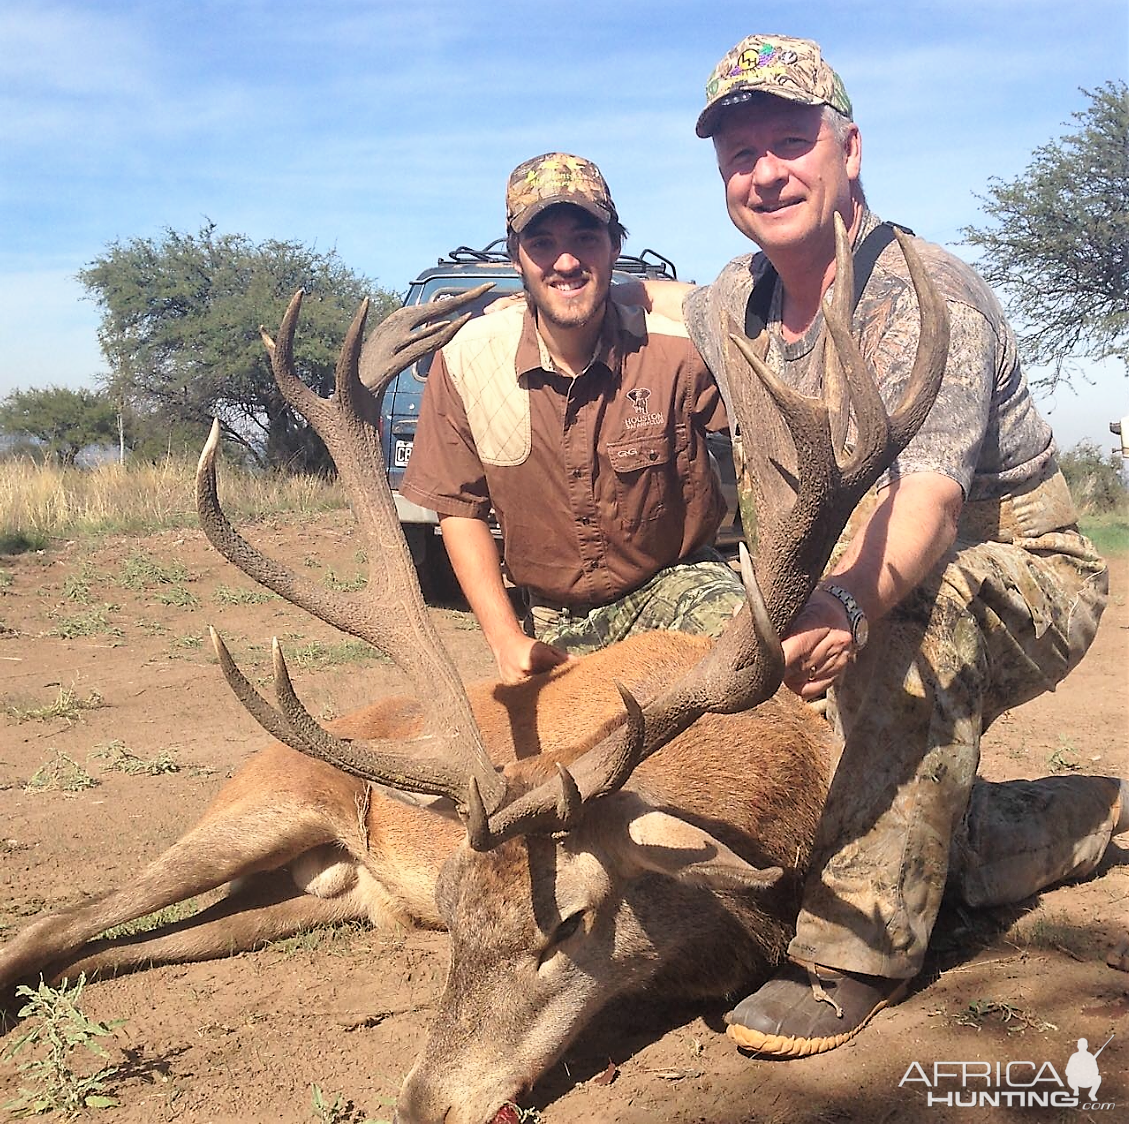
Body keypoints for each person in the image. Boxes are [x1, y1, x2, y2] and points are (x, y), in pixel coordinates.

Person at [632, 33, 1126, 1057]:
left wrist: (846, 603)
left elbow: (933, 506)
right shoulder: (730, 304)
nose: (763, 171)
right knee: (704, 633)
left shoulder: (923, 292)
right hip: (848, 565)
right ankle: (1071, 819)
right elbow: (655, 320)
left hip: (1018, 564)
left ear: (847, 150)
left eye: (787, 141)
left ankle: (850, 950)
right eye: (737, 155)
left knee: (910, 620)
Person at [400, 152, 744, 684]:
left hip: (676, 587)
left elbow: (763, 436)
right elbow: (459, 508)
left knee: (744, 671)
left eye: (585, 238)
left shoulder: (678, 349)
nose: (565, 262)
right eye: (542, 243)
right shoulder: (469, 361)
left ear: (614, 247)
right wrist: (504, 638)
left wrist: (656, 294)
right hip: (556, 617)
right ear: (516, 257)